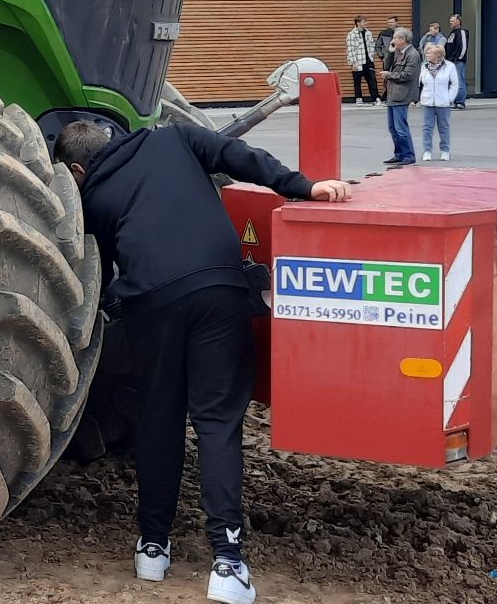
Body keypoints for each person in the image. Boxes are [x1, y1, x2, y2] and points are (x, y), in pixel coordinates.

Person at [54, 120, 353, 604]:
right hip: (219, 291)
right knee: (216, 423)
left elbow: (107, 272)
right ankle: (228, 564)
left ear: (77, 169)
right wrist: (302, 185)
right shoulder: (173, 137)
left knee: (159, 421)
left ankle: (152, 549)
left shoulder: (94, 200)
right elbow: (238, 156)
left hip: (152, 305)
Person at [383, 27, 419, 166]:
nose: (393, 41)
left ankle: (409, 155)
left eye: (396, 38)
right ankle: (399, 154)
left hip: (402, 94)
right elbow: (387, 65)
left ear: (403, 39)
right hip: (392, 94)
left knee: (400, 128)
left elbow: (408, 75)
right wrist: (390, 53)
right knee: (392, 128)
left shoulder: (412, 54)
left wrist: (389, 75)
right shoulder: (398, 52)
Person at [419, 43, 458, 161]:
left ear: (438, 55)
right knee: (427, 127)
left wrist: (449, 98)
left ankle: (445, 151)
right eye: (427, 53)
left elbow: (455, 85)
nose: (427, 55)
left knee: (444, 127)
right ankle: (427, 151)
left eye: (429, 53)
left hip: (443, 102)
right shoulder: (424, 66)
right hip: (427, 101)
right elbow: (420, 83)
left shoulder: (449, 66)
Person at [345, 16, 380, 105]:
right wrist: (353, 63)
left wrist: (372, 57)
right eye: (364, 22)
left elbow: (372, 45)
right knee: (357, 81)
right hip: (358, 62)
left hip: (368, 61)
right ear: (358, 23)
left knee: (372, 80)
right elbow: (350, 49)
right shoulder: (351, 34)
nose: (366, 23)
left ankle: (375, 98)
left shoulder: (368, 33)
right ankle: (358, 98)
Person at [445, 14, 471, 109]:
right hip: (450, 61)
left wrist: (458, 59)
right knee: (452, 82)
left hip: (457, 61)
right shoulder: (452, 33)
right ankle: (454, 100)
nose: (450, 23)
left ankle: (460, 101)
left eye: (452, 21)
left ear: (458, 21)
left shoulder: (462, 32)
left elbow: (463, 47)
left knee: (459, 80)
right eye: (450, 21)